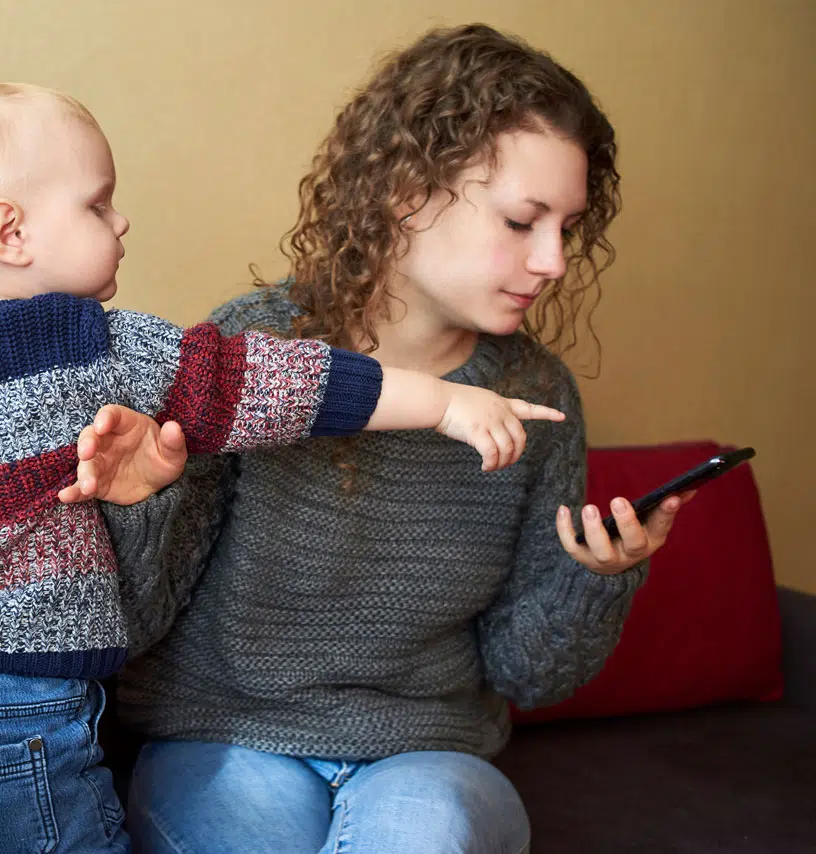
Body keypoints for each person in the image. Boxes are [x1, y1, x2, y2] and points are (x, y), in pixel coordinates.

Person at [0, 80, 563, 854]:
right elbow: (278, 384)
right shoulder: (92, 345)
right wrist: (442, 403)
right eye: (97, 203)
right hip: (8, 710)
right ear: (12, 232)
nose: (122, 220)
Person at [65, 23, 691, 854]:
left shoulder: (537, 398)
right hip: (228, 739)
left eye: (567, 229)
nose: (554, 263)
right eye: (521, 220)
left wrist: (598, 580)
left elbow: (527, 677)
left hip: (430, 757)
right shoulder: (255, 354)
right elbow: (134, 625)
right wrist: (144, 503)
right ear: (406, 190)